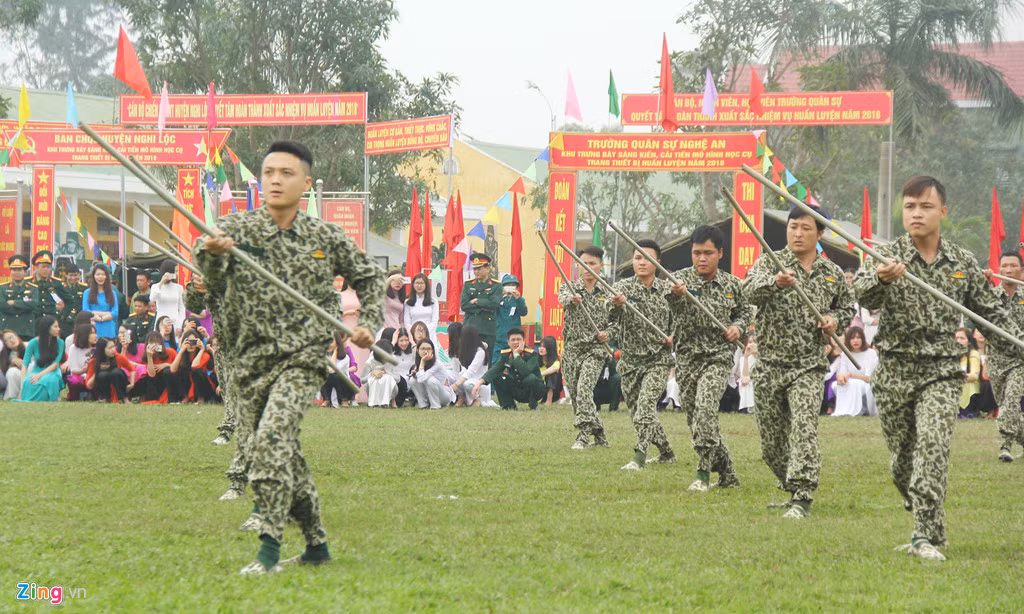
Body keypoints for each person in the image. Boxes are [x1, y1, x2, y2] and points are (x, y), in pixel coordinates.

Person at [196, 139, 384, 574]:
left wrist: (369, 322)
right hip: (249, 362)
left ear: (306, 182)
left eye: (286, 173)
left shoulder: (324, 236)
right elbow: (212, 284)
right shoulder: (235, 230)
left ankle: (269, 547)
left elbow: (371, 277)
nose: (276, 180)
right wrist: (213, 256)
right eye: (269, 172)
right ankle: (317, 546)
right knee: (287, 453)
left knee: (272, 442)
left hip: (301, 359)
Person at [852, 175, 1024, 561]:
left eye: (925, 206)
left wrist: (1016, 340)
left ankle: (922, 537)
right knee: (903, 463)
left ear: (942, 211)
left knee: (932, 447)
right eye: (910, 206)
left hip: (943, 372)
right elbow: (861, 293)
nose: (916, 214)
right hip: (895, 371)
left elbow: (992, 311)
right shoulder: (887, 255)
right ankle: (930, 528)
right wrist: (881, 277)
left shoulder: (961, 261)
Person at [743, 206, 854, 519]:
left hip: (807, 366)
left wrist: (834, 321)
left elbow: (846, 309)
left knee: (804, 428)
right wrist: (774, 284)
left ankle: (803, 494)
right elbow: (748, 291)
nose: (797, 233)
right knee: (771, 444)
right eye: (793, 227)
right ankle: (790, 486)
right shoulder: (769, 262)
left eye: (806, 228)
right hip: (768, 365)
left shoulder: (831, 273)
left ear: (819, 234)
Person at [666, 225, 753, 491]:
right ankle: (728, 474)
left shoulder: (732, 285)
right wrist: (676, 295)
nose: (701, 259)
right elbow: (668, 301)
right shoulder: (679, 281)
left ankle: (703, 474)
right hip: (687, 360)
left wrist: (738, 327)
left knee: (705, 411)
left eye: (707, 253)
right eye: (696, 253)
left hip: (718, 358)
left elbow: (745, 313)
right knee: (697, 422)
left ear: (720, 254)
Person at [608, 240, 677, 470]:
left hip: (658, 360)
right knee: (638, 413)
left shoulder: (669, 290)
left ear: (657, 262)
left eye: (647, 258)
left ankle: (639, 457)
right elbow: (611, 316)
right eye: (637, 258)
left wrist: (672, 337)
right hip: (630, 363)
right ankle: (666, 452)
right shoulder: (623, 288)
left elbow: (681, 321)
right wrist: (616, 305)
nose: (642, 262)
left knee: (645, 408)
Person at [557, 245, 611, 448]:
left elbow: (616, 323)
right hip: (572, 350)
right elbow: (562, 300)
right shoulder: (569, 287)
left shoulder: (608, 291)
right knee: (576, 394)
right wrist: (572, 299)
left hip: (595, 350)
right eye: (583, 263)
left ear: (600, 266)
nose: (587, 267)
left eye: (592, 263)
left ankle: (583, 435)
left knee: (584, 389)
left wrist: (608, 334)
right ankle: (600, 433)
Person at [987, 251, 1024, 462]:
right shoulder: (991, 295)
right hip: (996, 360)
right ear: (999, 270)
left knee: (1011, 401)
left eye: (1013, 266)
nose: (1008, 270)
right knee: (1006, 407)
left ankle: (1005, 446)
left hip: (1019, 360)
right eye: (1004, 266)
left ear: (1021, 271)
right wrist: (982, 285)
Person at [474, 327, 544, 410]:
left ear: (523, 342)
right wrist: (480, 382)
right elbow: (494, 370)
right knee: (499, 377)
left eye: (519, 339)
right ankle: (508, 405)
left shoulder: (532, 354)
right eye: (513, 340)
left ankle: (533, 405)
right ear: (508, 342)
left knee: (531, 378)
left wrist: (516, 355)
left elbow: (526, 372)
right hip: (517, 389)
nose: (516, 342)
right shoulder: (505, 355)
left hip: (534, 390)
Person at [461, 253, 500, 365]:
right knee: (468, 358)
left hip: (487, 329)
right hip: (470, 326)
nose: (476, 272)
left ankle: (484, 383)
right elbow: (464, 305)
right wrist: (483, 307)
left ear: (487, 268)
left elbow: (494, 304)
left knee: (486, 360)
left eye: (479, 268)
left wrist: (477, 301)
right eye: (474, 269)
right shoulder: (468, 285)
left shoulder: (496, 286)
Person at [831, 326, 879, 417]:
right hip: (850, 380)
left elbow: (869, 378)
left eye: (858, 338)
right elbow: (842, 373)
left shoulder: (870, 353)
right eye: (852, 338)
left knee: (854, 384)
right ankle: (843, 410)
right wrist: (841, 378)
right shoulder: (845, 354)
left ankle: (855, 411)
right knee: (836, 385)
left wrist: (851, 375)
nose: (855, 341)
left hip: (866, 382)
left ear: (863, 339)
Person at [18, 316, 65, 401]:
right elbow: (25, 365)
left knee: (49, 380)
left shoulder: (60, 343)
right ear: (47, 328)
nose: (58, 329)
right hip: (36, 370)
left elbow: (55, 365)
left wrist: (39, 375)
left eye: (58, 326)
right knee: (28, 382)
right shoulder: (32, 343)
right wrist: (22, 385)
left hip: (52, 371)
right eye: (55, 327)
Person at [0, 255, 40, 341]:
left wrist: (14, 303)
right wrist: (24, 306)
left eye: (20, 270)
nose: (17, 272)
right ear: (10, 272)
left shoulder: (33, 288)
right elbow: (2, 306)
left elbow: (33, 304)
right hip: (8, 327)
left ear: (25, 272)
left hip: (26, 329)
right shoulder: (2, 288)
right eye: (14, 270)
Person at [451, 324, 492, 406]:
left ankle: (478, 398)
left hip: (478, 381)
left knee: (467, 384)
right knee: (452, 378)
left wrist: (456, 384)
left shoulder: (480, 351)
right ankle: (461, 398)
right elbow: (463, 370)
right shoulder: (464, 350)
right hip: (467, 378)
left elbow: (471, 371)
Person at [172, 330, 218, 403]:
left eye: (193, 342)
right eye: (188, 342)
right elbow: (173, 370)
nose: (191, 345)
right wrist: (181, 350)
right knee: (180, 370)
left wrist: (202, 349)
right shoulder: (182, 356)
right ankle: (185, 397)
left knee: (197, 371)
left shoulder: (204, 355)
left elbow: (194, 366)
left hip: (205, 387)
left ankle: (201, 398)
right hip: (190, 385)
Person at [87, 336, 136, 402]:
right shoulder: (93, 361)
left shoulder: (119, 357)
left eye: (114, 346)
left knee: (116, 372)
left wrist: (132, 384)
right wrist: (97, 370)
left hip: (120, 384)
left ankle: (125, 398)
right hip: (104, 388)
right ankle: (105, 398)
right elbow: (89, 385)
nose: (113, 350)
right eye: (110, 348)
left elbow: (132, 369)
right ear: (102, 350)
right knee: (102, 374)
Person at [137, 331, 180, 403]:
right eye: (151, 342)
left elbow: (179, 367)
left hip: (171, 380)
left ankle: (173, 398)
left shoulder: (170, 352)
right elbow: (151, 374)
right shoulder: (146, 356)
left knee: (168, 371)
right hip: (157, 382)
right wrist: (150, 357)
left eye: (157, 342)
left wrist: (167, 365)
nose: (154, 345)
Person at [409, 338, 452, 408]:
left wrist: (422, 361)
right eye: (422, 349)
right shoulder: (418, 362)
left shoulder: (437, 364)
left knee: (430, 380)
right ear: (417, 350)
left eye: (428, 349)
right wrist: (415, 374)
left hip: (444, 397)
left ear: (433, 351)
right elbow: (419, 379)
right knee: (412, 380)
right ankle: (423, 405)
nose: (425, 351)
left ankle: (435, 406)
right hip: (430, 394)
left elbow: (421, 379)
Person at [493, 274, 528, 360]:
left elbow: (524, 312)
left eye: (513, 285)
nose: (510, 287)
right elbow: (492, 309)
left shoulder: (519, 299)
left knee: (514, 362)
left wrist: (518, 299)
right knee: (496, 363)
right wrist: (500, 295)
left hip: (514, 339)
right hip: (500, 338)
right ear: (503, 287)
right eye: (508, 285)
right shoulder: (498, 298)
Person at [31, 250, 71, 324]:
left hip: (52, 321)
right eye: (43, 267)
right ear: (36, 267)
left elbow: (70, 301)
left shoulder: (56, 283)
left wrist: (62, 315)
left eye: (48, 267)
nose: (46, 269)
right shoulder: (29, 283)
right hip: (34, 322)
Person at [321, 331, 359, 408]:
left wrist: (335, 352)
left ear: (337, 342)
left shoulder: (345, 358)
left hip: (343, 386)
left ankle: (344, 400)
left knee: (336, 376)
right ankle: (326, 399)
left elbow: (333, 370)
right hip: (330, 384)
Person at [83, 264, 119, 339]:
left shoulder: (112, 293)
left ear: (107, 276)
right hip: (93, 326)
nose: (100, 277)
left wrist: (102, 319)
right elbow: (86, 310)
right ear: (93, 276)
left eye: (103, 274)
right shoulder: (87, 292)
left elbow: (115, 312)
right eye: (98, 274)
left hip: (108, 327)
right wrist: (100, 317)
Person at [62, 323, 97, 401]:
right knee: (74, 381)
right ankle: (74, 397)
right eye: (92, 333)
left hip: (93, 376)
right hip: (79, 375)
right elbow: (73, 370)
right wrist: (83, 370)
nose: (95, 336)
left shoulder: (98, 347)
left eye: (95, 333)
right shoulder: (74, 348)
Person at [404, 273, 439, 343]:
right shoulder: (407, 302)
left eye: (422, 283)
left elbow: (434, 321)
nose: (419, 286)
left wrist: (425, 331)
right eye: (417, 283)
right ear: (413, 284)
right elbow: (407, 322)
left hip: (430, 334)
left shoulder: (433, 301)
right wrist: (415, 332)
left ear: (426, 285)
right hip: (413, 335)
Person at [152, 260, 186, 331]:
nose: (177, 273)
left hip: (175, 322)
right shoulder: (156, 286)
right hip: (161, 321)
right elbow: (152, 298)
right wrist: (161, 282)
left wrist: (180, 325)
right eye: (175, 271)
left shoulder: (179, 288)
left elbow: (182, 308)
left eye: (177, 271)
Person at [364, 339, 398, 407]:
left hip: (390, 387)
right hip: (374, 386)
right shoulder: (371, 360)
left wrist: (386, 372)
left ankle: (390, 401)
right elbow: (364, 380)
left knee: (387, 378)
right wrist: (373, 373)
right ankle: (374, 402)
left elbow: (397, 379)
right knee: (373, 379)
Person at [955, 328, 981, 416]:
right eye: (956, 338)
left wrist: (956, 377)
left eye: (962, 338)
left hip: (969, 388)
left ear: (969, 341)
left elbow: (974, 376)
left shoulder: (973, 354)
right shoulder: (950, 355)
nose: (958, 341)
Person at [58, 263, 88, 338]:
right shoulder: (60, 287)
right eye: (70, 275)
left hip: (79, 321)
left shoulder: (84, 288)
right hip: (64, 320)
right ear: (66, 275)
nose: (73, 278)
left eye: (75, 275)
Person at [391, 328, 417, 407]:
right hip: (398, 382)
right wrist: (393, 342)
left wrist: (412, 341)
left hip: (411, 378)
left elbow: (420, 355)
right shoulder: (393, 352)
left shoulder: (413, 350)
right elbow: (384, 356)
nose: (404, 343)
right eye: (401, 341)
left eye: (406, 340)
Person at [0, 329, 26, 400]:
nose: (11, 340)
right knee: (11, 371)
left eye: (12, 337)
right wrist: (11, 363)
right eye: (6, 340)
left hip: (31, 378)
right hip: (16, 381)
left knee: (12, 372)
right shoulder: (6, 356)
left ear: (16, 336)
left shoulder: (28, 346)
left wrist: (24, 363)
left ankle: (11, 398)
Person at [538, 336, 563, 404]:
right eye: (540, 346)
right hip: (538, 389)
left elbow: (555, 368)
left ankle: (549, 401)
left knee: (553, 374)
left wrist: (540, 374)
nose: (541, 349)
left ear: (550, 349)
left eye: (544, 347)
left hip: (552, 392)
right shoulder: (535, 360)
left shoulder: (556, 361)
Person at [737, 336, 757, 414]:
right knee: (744, 382)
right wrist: (746, 357)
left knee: (750, 382)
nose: (751, 344)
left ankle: (753, 406)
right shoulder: (742, 359)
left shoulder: (762, 358)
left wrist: (749, 377)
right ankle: (747, 408)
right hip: (747, 380)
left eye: (754, 342)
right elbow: (744, 375)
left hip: (757, 378)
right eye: (750, 342)